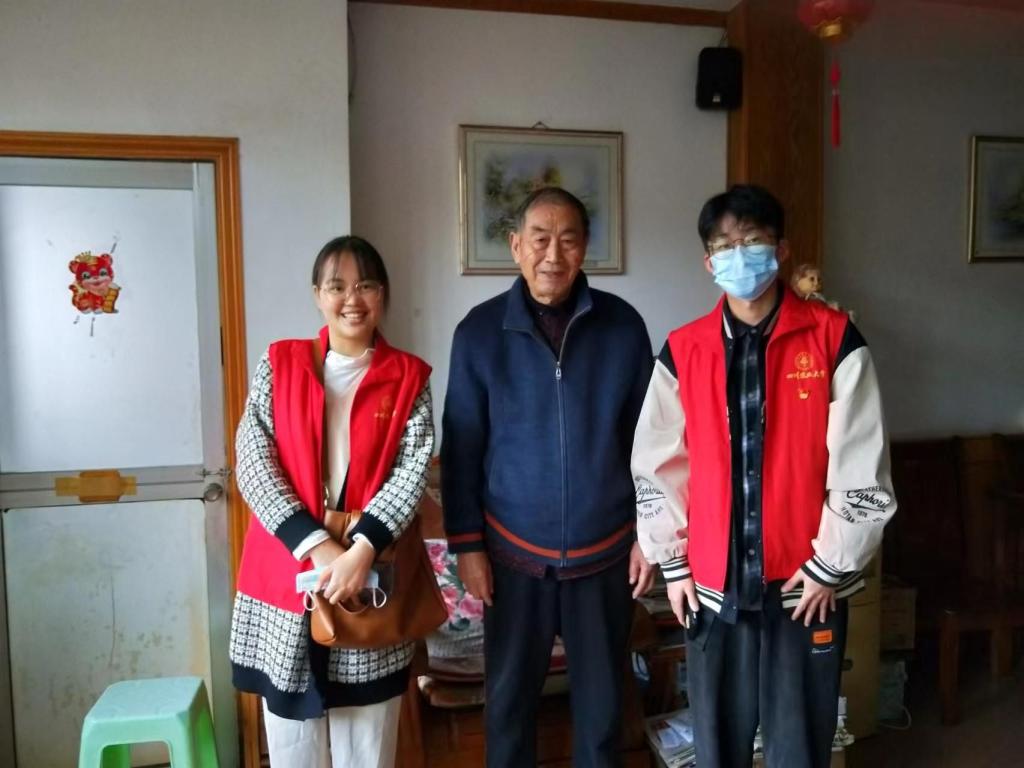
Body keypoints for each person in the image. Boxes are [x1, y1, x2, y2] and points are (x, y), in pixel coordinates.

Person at [632, 185, 896, 768]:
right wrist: (673, 563)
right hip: (711, 590)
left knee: (799, 749)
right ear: (708, 263)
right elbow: (657, 463)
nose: (739, 255)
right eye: (724, 245)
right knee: (717, 749)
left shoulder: (834, 339)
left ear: (781, 250)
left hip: (805, 590)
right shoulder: (683, 349)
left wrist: (830, 566)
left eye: (752, 240)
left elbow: (862, 463)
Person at [441, 187, 655, 768]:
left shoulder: (623, 327)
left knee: (603, 716)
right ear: (516, 246)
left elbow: (650, 443)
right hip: (512, 558)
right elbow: (462, 448)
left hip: (606, 556)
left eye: (568, 240)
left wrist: (649, 534)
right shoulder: (478, 332)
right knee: (508, 712)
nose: (552, 255)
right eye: (539, 239)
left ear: (585, 248)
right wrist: (467, 546)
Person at [229, 235, 435, 768]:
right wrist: (319, 547)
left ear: (383, 294)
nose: (352, 299)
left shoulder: (410, 378)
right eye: (337, 286)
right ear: (317, 294)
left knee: (368, 746)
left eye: (365, 285)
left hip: (370, 576)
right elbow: (253, 461)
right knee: (293, 748)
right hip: (287, 573)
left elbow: (411, 473)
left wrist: (360, 551)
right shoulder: (280, 363)